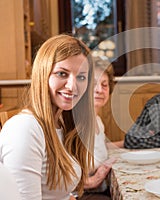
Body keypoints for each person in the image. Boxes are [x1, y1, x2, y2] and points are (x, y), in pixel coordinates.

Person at [0, 34, 96, 200]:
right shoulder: (25, 129)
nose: (72, 86)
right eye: (62, 73)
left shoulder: (60, 123)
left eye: (81, 77)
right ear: (43, 73)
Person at [79, 57, 122, 200]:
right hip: (81, 195)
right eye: (93, 84)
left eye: (104, 85)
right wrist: (92, 181)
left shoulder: (97, 120)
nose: (99, 90)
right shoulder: (77, 123)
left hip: (99, 190)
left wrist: (129, 142)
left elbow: (99, 148)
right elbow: (61, 173)